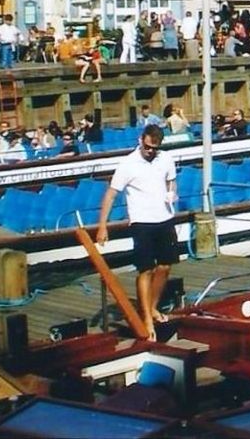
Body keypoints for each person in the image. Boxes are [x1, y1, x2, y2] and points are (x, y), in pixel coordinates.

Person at [95, 124, 178, 340]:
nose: (151, 151)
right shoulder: (127, 164)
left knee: (165, 266)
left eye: (155, 148)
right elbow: (111, 195)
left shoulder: (166, 158)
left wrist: (172, 194)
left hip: (165, 218)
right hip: (142, 222)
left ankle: (151, 307)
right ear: (141, 140)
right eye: (148, 147)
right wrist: (102, 226)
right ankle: (147, 319)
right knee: (146, 270)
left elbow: (171, 181)